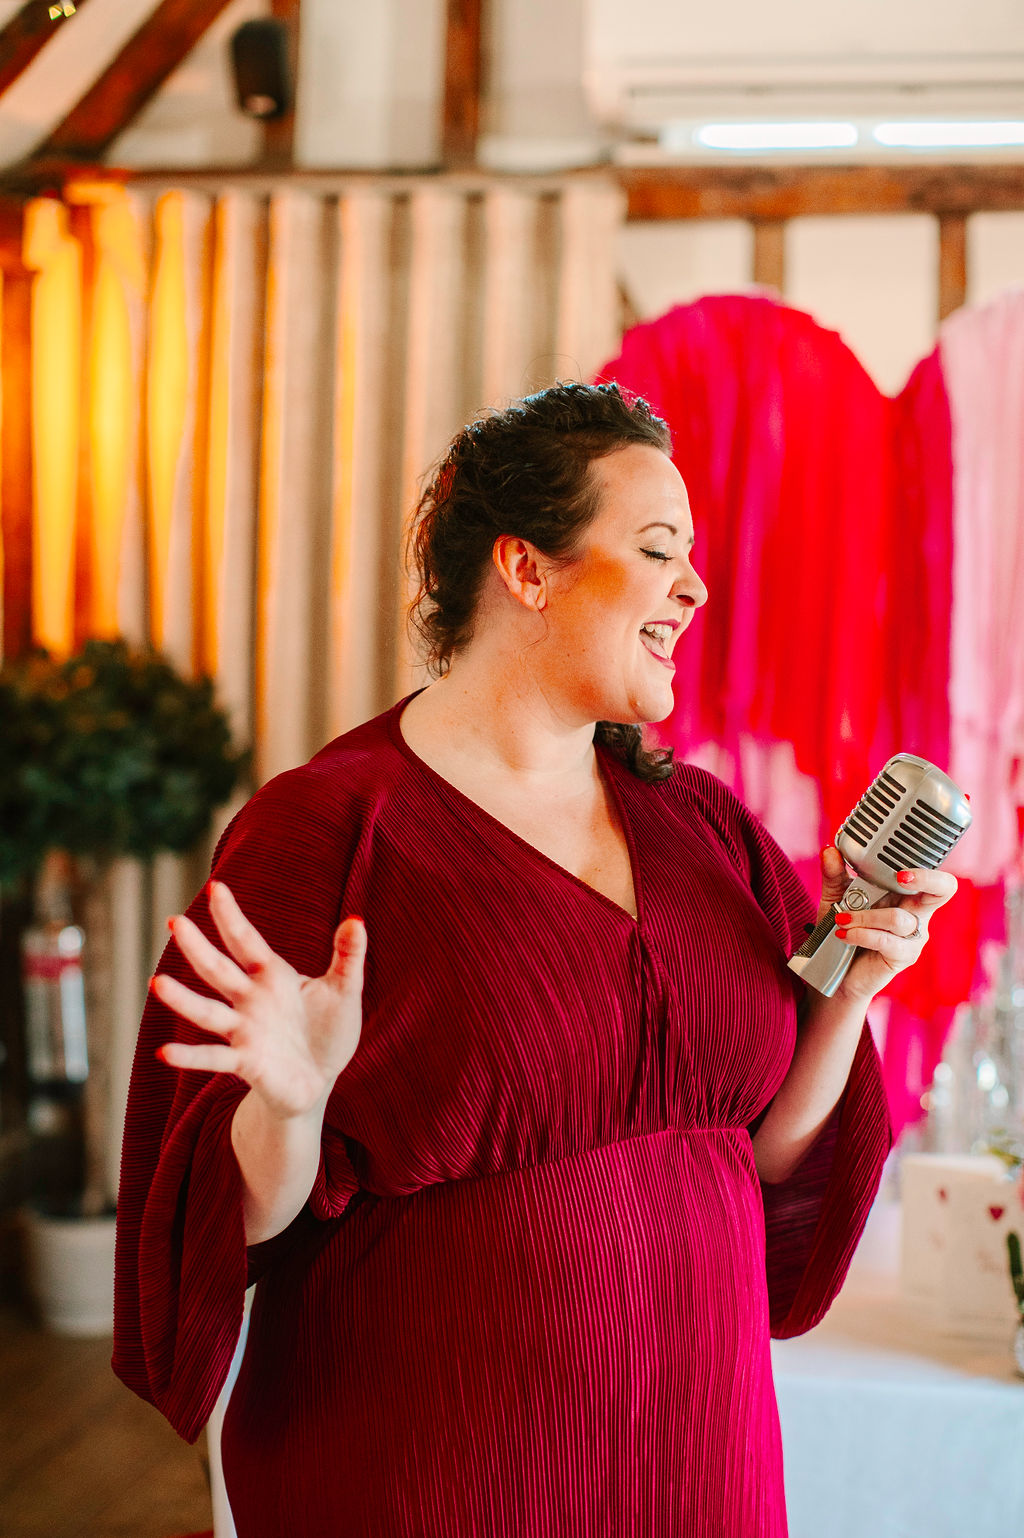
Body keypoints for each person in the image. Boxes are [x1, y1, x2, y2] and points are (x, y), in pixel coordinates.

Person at [113, 381, 953, 1536]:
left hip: (698, 1460)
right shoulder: (323, 831)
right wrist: (289, 1104)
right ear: (526, 568)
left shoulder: (703, 824)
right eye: (657, 549)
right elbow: (228, 1219)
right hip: (425, 1471)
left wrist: (851, 991)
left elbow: (759, 1162)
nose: (694, 587)